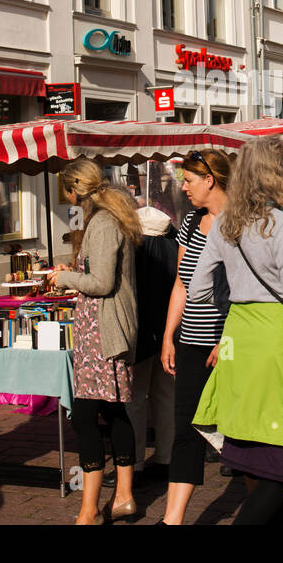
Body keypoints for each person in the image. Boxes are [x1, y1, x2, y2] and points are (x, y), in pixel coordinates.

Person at [186, 136, 283, 525]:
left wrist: (232, 304)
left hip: (238, 338)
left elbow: (196, 288)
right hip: (274, 340)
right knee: (280, 461)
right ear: (274, 174)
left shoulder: (224, 225)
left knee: (250, 451)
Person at [46, 159, 141, 525]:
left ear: (73, 190)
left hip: (103, 335)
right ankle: (124, 498)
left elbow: (101, 283)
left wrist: (67, 277)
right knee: (114, 411)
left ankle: (89, 511)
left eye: (66, 192)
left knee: (85, 417)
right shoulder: (107, 216)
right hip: (101, 332)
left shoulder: (102, 222)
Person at [159, 149, 231, 524]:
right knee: (185, 427)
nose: (183, 187)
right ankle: (173, 519)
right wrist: (169, 335)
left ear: (210, 181)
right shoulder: (189, 221)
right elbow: (181, 283)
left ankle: (262, 504)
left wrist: (228, 340)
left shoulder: (239, 222)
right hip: (191, 341)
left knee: (235, 430)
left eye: (188, 180)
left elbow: (249, 291)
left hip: (228, 344)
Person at [126, 205, 176, 487]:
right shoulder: (174, 245)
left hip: (143, 333)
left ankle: (134, 462)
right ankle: (166, 456)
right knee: (165, 396)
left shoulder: (139, 251)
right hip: (171, 331)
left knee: (136, 398)